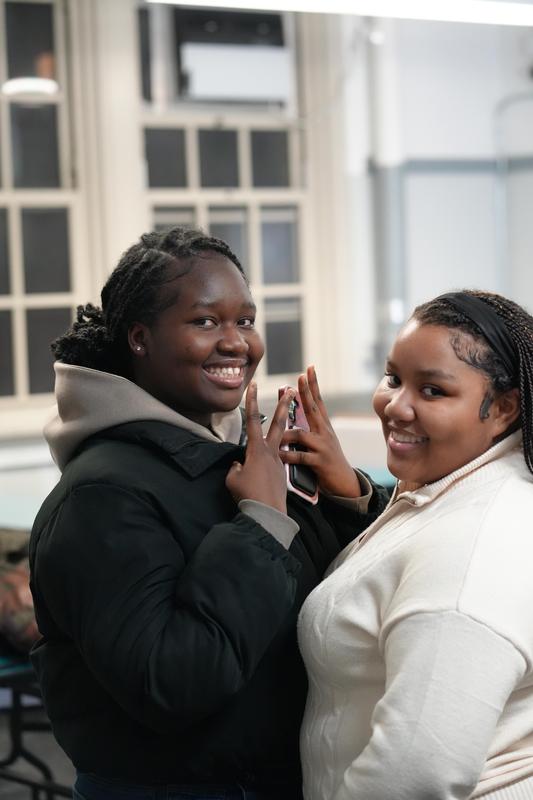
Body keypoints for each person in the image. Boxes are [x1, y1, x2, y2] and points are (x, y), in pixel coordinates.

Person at [28, 226, 388, 800]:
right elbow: (172, 684)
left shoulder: (235, 460)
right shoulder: (100, 497)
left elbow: (329, 597)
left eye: (244, 320)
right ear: (140, 338)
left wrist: (348, 497)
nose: (236, 342)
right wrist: (260, 524)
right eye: (205, 322)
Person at [298, 290, 533, 800]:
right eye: (393, 378)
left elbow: (414, 772)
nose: (395, 406)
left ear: (504, 409)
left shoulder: (474, 551)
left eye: (432, 391)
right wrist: (352, 494)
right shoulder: (455, 488)